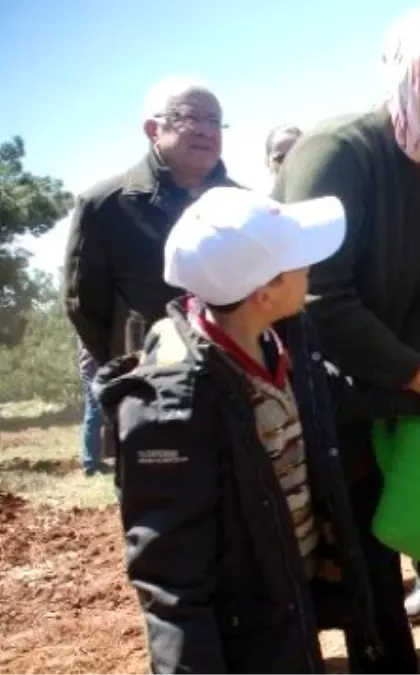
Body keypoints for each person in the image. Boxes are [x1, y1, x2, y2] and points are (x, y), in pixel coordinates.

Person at [271, 10, 420, 673]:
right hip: (303, 399)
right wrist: (418, 377)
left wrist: (405, 377)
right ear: (410, 83)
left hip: (382, 390)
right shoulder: (337, 154)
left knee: (375, 565)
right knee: (303, 572)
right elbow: (320, 299)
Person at [94, 187, 401, 674]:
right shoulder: (174, 405)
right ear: (265, 291)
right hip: (244, 633)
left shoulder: (278, 341)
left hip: (286, 597)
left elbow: (330, 399)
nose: (311, 271)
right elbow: (171, 580)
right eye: (300, 262)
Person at [64, 75, 237, 369]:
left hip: (234, 378)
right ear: (152, 130)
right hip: (151, 385)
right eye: (190, 117)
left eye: (214, 120)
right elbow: (84, 305)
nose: (207, 131)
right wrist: (128, 366)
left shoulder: (243, 204)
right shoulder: (107, 205)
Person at [76, 340, 106, 476]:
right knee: (94, 410)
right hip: (92, 368)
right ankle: (90, 464)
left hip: (98, 368)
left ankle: (95, 459)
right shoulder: (89, 323)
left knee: (98, 411)